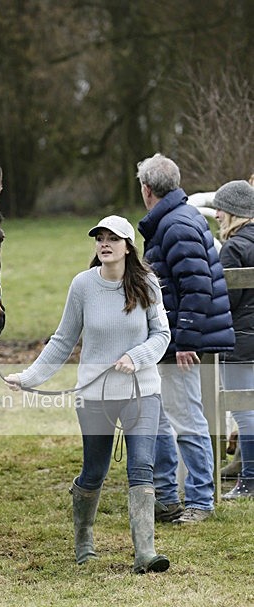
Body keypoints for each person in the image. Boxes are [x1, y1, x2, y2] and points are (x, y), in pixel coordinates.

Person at [5, 215, 171, 573]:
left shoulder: (147, 283)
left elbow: (161, 335)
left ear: (129, 246)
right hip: (94, 395)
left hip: (143, 392)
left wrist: (135, 356)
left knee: (141, 466)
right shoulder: (82, 286)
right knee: (94, 471)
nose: (105, 244)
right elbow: (63, 340)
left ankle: (145, 552)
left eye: (113, 238)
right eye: (100, 239)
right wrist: (30, 377)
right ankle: (84, 541)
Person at [137, 154, 235, 524]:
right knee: (168, 417)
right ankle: (170, 495)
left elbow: (196, 286)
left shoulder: (175, 225)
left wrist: (186, 342)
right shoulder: (178, 218)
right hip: (173, 338)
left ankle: (199, 500)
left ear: (146, 190)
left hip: (179, 342)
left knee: (186, 418)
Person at [212, 179, 254, 499]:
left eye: (221, 208)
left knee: (244, 411)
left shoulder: (234, 247)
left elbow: (227, 298)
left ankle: (249, 480)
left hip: (240, 340)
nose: (216, 214)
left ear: (235, 212)